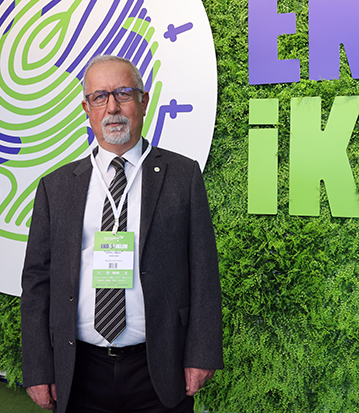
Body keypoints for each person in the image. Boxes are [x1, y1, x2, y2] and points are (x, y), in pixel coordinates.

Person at [20, 54, 223, 413]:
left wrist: (202, 352)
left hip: (159, 366)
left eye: (123, 94)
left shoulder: (182, 176)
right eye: (100, 96)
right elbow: (37, 282)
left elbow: (203, 270)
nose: (112, 107)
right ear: (87, 109)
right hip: (79, 370)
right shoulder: (56, 187)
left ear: (143, 101)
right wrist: (38, 368)